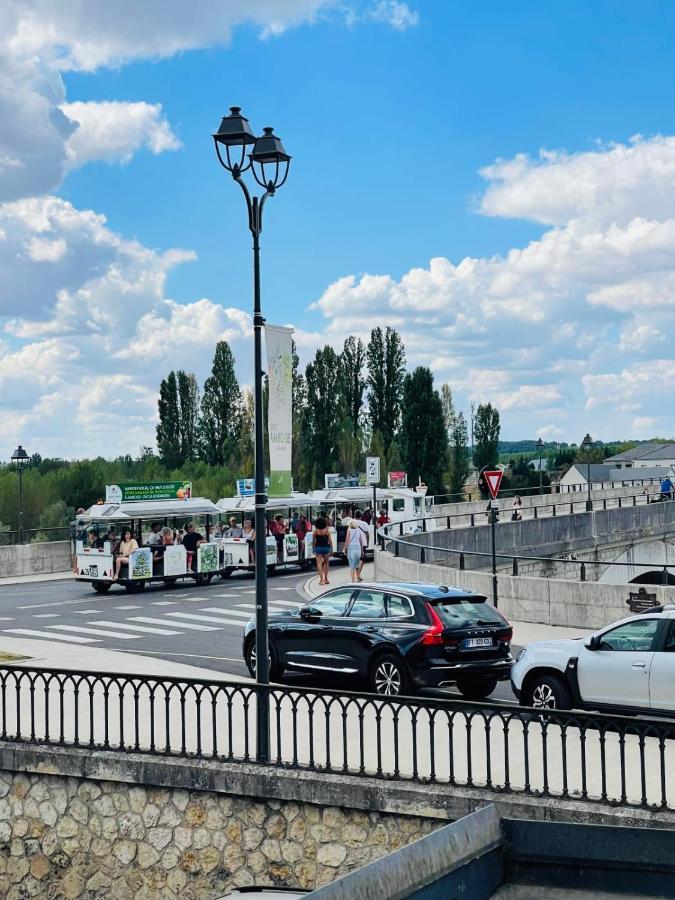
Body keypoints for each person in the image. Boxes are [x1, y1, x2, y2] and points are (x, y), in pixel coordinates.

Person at [312, 516, 332, 586]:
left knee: (319, 564)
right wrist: (331, 550)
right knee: (326, 563)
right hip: (326, 548)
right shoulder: (327, 531)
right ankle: (326, 579)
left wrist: (313, 550)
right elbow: (330, 541)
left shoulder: (315, 532)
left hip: (318, 549)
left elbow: (313, 542)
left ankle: (321, 580)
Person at [353, 510, 370, 581]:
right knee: (362, 559)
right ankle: (358, 575)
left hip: (354, 543)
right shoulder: (364, 524)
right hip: (363, 543)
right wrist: (367, 542)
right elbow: (367, 534)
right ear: (361, 516)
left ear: (354, 515)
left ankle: (357, 575)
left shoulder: (352, 523)